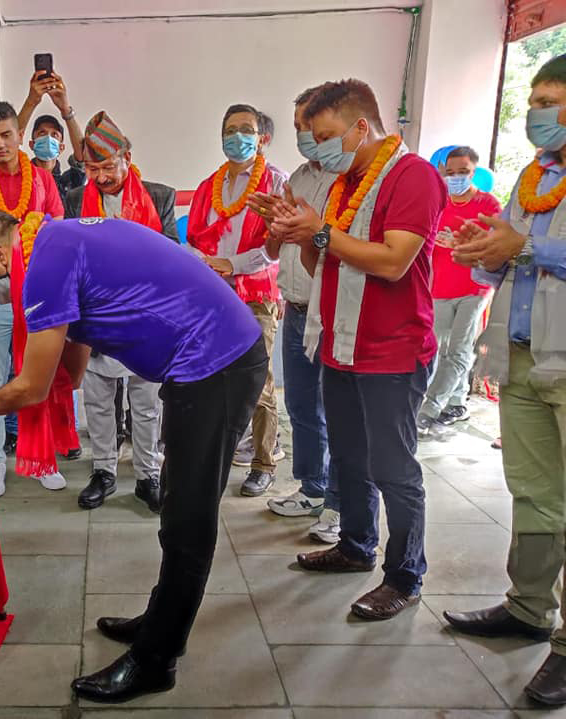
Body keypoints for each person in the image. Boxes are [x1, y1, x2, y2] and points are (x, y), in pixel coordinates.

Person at [0, 209, 268, 703]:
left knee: (188, 522)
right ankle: (160, 620)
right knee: (178, 512)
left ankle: (156, 661)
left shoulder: (43, 263)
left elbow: (33, 385)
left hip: (217, 362)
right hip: (210, 357)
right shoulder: (55, 240)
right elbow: (73, 363)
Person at [261, 78, 446, 620]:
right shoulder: (345, 185)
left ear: (361, 127)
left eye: (325, 136)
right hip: (340, 342)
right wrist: (300, 234)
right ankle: (356, 546)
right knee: (348, 457)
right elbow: (324, 265)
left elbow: (392, 262)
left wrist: (319, 232)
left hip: (392, 350)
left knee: (393, 468)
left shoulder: (414, 176)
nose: (318, 148)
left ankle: (405, 575)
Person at [442, 53, 566, 707]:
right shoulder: (534, 176)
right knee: (536, 494)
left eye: (549, 102)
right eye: (534, 101)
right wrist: (484, 247)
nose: (535, 114)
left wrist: (527, 246)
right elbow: (511, 249)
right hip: (524, 355)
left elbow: (532, 248)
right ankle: (528, 608)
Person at [64, 111, 177, 513]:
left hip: (145, 315)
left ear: (127, 158)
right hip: (98, 315)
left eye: (108, 167)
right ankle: (103, 471)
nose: (100, 177)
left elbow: (171, 252)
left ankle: (148, 475)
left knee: (146, 403)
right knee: (98, 399)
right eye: (92, 169)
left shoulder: (159, 196)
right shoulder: (76, 199)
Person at [0, 101, 68, 497]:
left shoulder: (41, 179)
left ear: (20, 135)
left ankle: (40, 459)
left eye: (6, 135)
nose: (0, 144)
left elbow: (58, 231)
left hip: (36, 299)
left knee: (34, 379)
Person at [251, 87, 341, 543]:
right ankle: (311, 487)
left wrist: (308, 230)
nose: (305, 136)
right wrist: (276, 226)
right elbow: (273, 250)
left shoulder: (349, 181)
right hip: (296, 308)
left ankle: (340, 505)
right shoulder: (300, 178)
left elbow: (335, 245)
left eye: (311, 127)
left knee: (339, 413)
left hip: (336, 312)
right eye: (299, 128)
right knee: (302, 406)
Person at [186, 103, 287, 497]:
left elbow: (275, 246)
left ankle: (263, 462)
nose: (236, 136)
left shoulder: (275, 182)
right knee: (214, 379)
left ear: (261, 138)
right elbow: (193, 239)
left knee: (258, 383)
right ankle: (220, 453)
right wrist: (206, 263)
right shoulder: (208, 186)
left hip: (256, 295)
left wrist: (232, 264)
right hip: (214, 296)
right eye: (230, 130)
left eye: (246, 129)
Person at [416, 146, 502, 437]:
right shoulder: (438, 201)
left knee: (459, 349)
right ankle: (457, 402)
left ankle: (429, 409)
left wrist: (463, 245)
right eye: (450, 173)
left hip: (475, 286)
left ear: (474, 172)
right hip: (439, 287)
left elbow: (498, 245)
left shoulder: (488, 204)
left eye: (463, 172)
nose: (456, 178)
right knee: (437, 348)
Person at [16, 71, 87, 202]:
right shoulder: (19, 177)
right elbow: (10, 143)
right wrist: (31, 101)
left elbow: (83, 157)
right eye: (42, 133)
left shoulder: (69, 182)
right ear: (32, 144)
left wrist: (65, 109)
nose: (48, 138)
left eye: (54, 134)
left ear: (61, 147)